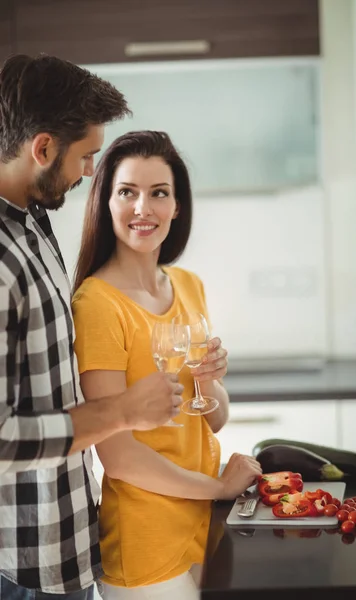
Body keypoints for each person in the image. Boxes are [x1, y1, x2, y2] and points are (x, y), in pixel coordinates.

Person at [0, 55, 185, 600]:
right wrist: (124, 412)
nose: (88, 172)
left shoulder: (32, 222)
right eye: (85, 156)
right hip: (21, 564)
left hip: (70, 540)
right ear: (42, 148)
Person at [71, 130, 262, 600]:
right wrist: (217, 488)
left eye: (159, 193)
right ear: (106, 203)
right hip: (147, 541)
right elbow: (118, 456)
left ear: (177, 207)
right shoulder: (97, 303)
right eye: (127, 192)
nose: (144, 208)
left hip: (205, 527)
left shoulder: (188, 285)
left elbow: (212, 420)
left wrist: (210, 381)